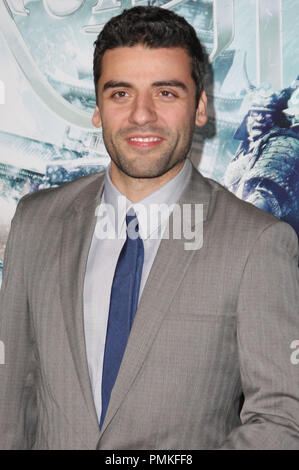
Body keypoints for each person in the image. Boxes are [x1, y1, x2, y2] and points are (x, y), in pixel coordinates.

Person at [0, 6, 298, 450]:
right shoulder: (34, 221)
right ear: (98, 108)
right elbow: (11, 403)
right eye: (121, 94)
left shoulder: (258, 242)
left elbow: (281, 417)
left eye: (165, 93)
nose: (142, 115)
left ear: (199, 107)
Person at [223, 84, 299, 238]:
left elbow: (264, 201)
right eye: (255, 113)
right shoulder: (243, 151)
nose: (259, 119)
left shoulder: (284, 144)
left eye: (266, 114)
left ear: (278, 117)